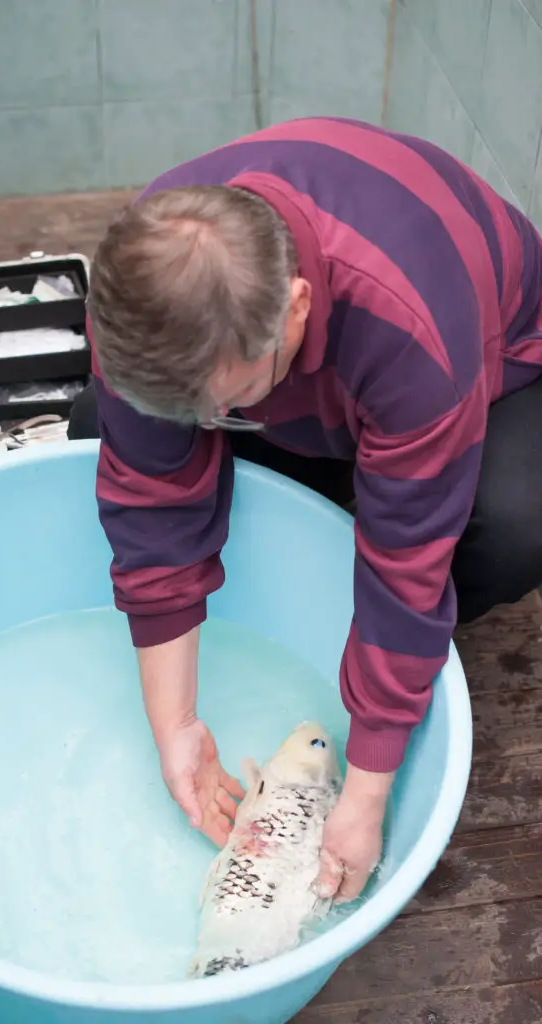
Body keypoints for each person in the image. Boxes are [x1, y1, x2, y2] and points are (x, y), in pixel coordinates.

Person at [68, 116, 542, 903]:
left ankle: (391, 652)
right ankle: (309, 467)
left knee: (513, 522)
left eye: (219, 401)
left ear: (294, 308)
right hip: (298, 384)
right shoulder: (141, 292)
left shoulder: (409, 326)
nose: (200, 420)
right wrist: (176, 726)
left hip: (489, 371)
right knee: (99, 429)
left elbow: (405, 571)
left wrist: (362, 798)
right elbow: (150, 498)